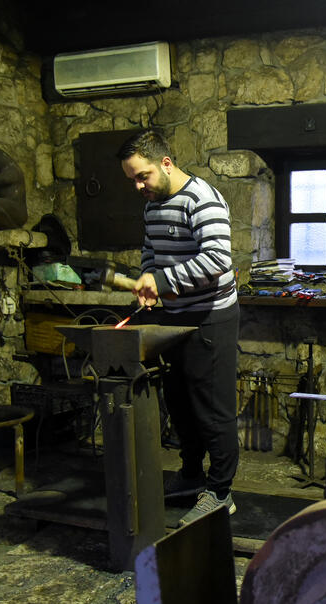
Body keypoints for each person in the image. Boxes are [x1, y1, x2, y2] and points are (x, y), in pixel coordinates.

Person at [117, 128, 239, 523]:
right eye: (132, 180)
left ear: (165, 163)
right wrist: (149, 279)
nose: (138, 186)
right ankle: (190, 475)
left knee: (211, 409)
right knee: (181, 404)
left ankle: (220, 491)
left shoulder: (203, 200)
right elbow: (150, 251)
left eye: (143, 176)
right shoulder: (152, 204)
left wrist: (164, 282)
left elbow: (218, 260)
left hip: (210, 317)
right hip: (172, 316)